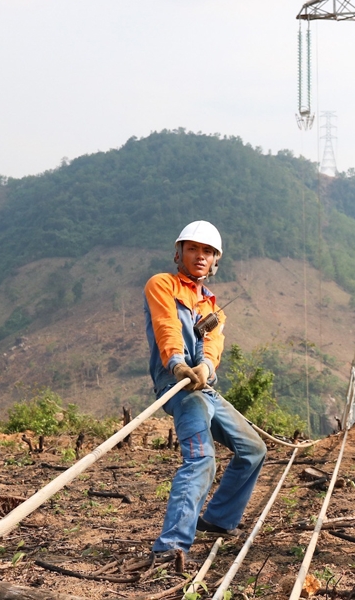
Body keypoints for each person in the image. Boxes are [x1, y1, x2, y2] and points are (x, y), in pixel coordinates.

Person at [143, 220, 266, 554]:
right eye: (193, 249)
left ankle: (217, 520)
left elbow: (213, 344)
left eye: (208, 252)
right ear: (179, 252)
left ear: (215, 261)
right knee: (201, 459)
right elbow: (166, 325)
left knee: (253, 450)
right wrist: (179, 364)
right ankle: (171, 547)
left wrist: (206, 366)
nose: (200, 256)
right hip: (178, 386)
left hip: (203, 387)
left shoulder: (211, 305)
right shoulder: (161, 285)